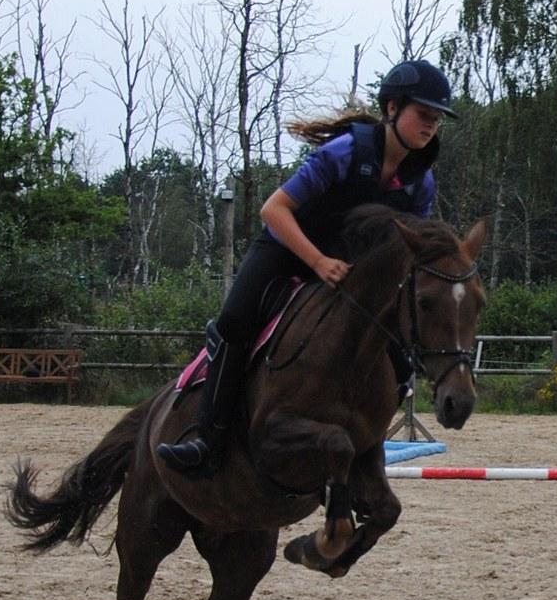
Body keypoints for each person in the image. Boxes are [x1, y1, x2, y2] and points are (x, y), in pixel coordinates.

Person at [157, 59, 458, 475]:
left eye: (437, 120)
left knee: (398, 350)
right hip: (289, 247)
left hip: (345, 274)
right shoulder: (346, 151)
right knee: (234, 321)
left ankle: (361, 448)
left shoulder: (420, 182)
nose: (430, 126)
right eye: (423, 115)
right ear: (392, 108)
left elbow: (409, 252)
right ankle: (206, 439)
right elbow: (273, 209)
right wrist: (316, 261)